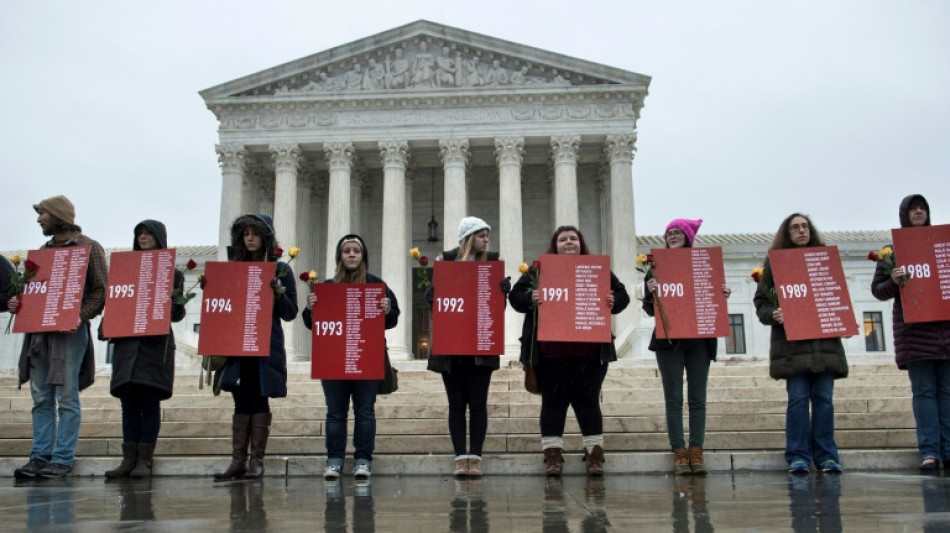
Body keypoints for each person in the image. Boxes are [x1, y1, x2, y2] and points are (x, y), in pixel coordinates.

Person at [509, 225, 630, 476]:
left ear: (581, 243)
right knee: (553, 404)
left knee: (588, 403)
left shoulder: (596, 269)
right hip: (551, 353)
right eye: (563, 239)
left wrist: (613, 300)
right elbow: (515, 297)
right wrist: (531, 296)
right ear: (555, 245)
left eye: (573, 238)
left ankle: (594, 456)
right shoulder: (539, 269)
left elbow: (622, 296)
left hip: (589, 352)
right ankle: (553, 457)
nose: (568, 242)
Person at [12, 195, 107, 479]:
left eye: (43, 214)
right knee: (41, 396)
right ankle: (39, 456)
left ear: (58, 215)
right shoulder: (41, 252)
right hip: (40, 334)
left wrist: (78, 316)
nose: (39, 219)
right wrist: (20, 303)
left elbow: (101, 291)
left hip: (71, 332)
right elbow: (36, 293)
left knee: (66, 397)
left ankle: (63, 457)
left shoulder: (89, 247)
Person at [753, 213, 848, 474]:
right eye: (795, 227)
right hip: (793, 349)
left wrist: (844, 321)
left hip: (824, 347)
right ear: (787, 233)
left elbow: (837, 297)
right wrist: (774, 314)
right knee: (797, 400)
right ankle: (797, 456)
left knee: (824, 401)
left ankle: (827, 456)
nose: (801, 231)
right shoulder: (775, 265)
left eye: (805, 226)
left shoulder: (825, 261)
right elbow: (761, 302)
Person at [303, 234, 399, 481]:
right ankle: (334, 461)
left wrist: (387, 310)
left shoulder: (377, 284)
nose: (352, 255)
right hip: (333, 359)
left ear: (363, 255)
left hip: (366, 357)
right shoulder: (326, 287)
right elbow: (311, 323)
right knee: (335, 412)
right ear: (340, 256)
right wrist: (310, 307)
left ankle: (363, 461)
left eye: (356, 250)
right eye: (347, 251)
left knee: (365, 411)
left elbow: (392, 319)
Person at [213, 214, 298, 481]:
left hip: (264, 342)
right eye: (246, 233)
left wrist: (277, 294)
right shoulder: (232, 267)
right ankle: (238, 459)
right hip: (237, 343)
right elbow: (222, 307)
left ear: (265, 237)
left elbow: (290, 312)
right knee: (240, 398)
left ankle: (256, 461)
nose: (250, 238)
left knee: (259, 397)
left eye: (255, 233)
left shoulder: (281, 270)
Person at [643, 218, 731, 475]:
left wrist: (721, 292)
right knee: (673, 397)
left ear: (688, 236)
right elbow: (650, 310)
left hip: (699, 342)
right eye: (668, 233)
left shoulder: (705, 265)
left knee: (697, 398)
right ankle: (679, 450)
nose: (671, 236)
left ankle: (696, 449)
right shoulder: (654, 268)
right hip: (668, 342)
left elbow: (712, 303)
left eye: (677, 232)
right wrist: (651, 292)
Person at [102, 220, 187, 478]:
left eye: (148, 233)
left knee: (149, 402)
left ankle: (144, 460)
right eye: (139, 233)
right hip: (128, 345)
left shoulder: (173, 273)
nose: (143, 237)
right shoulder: (124, 270)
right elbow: (116, 302)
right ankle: (128, 459)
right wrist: (107, 325)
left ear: (159, 237)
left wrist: (172, 304)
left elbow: (178, 313)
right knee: (128, 404)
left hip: (154, 346)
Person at [426, 217, 510, 478]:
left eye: (488, 235)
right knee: (456, 405)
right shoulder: (446, 263)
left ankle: (476, 456)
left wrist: (501, 294)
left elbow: (494, 312)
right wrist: (432, 295)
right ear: (469, 237)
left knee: (478, 404)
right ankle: (460, 457)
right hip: (451, 349)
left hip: (480, 348)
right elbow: (442, 307)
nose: (486, 240)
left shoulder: (491, 265)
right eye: (482, 235)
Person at [871, 195, 950, 470]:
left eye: (922, 208)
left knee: (947, 392)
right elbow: (878, 290)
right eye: (913, 209)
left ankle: (948, 449)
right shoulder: (892, 252)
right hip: (915, 334)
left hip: (946, 334)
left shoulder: (944, 246)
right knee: (925, 393)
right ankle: (930, 451)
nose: (918, 212)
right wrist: (893, 281)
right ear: (905, 214)